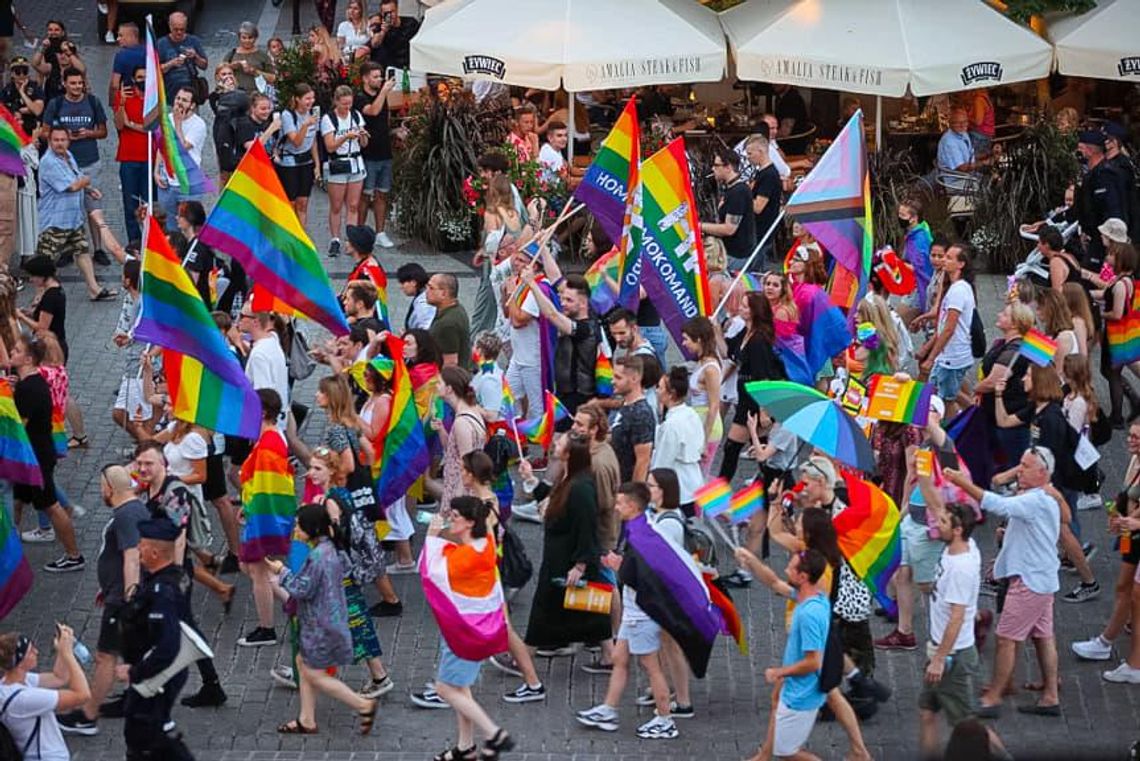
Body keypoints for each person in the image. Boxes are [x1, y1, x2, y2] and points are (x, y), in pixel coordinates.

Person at [944, 449, 1062, 717]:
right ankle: (1049, 694)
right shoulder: (1042, 499)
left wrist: (962, 482)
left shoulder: (1035, 500)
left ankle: (994, 697)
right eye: (1020, 464)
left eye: (1025, 466)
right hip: (1043, 578)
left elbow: (997, 504)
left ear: (1042, 473)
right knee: (1043, 637)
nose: (1019, 470)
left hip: (1029, 581)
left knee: (1006, 638)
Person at [575, 482, 679, 740]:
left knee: (650, 666)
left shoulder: (642, 535)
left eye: (620, 502)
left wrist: (618, 565)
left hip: (641, 613)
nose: (616, 506)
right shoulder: (638, 528)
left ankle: (665, 719)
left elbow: (644, 575)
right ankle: (608, 710)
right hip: (634, 610)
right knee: (620, 659)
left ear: (632, 505)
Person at [266, 503, 379, 735]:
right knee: (302, 663)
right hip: (331, 620)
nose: (295, 529)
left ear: (311, 528)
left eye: (298, 525)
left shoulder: (318, 556)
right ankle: (306, 719)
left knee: (315, 674)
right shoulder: (332, 549)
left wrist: (281, 571)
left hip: (320, 625)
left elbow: (300, 589)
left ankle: (362, 704)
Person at [56, 465, 148, 735]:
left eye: (100, 487)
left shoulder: (126, 515)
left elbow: (132, 557)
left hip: (121, 600)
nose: (100, 492)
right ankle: (137, 703)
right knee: (130, 653)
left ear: (109, 487)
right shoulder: (132, 510)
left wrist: (127, 598)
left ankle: (88, 715)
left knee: (104, 656)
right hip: (117, 593)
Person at [421, 497, 514, 759]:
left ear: (470, 523)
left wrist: (431, 535)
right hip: (473, 629)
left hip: (463, 632)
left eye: (455, 517)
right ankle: (466, 747)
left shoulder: (465, 556)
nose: (450, 520)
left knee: (445, 688)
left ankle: (494, 733)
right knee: (460, 686)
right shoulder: (485, 545)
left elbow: (431, 571)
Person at [307, 448, 394, 700]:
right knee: (349, 620)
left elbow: (337, 536)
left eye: (317, 469)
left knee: (353, 621)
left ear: (331, 472)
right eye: (311, 467)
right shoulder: (339, 494)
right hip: (344, 569)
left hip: (338, 571)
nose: (311, 473)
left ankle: (377, 676)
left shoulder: (331, 501)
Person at [522, 436, 610, 654]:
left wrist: (580, 565)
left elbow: (587, 527)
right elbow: (553, 499)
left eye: (560, 444)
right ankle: (609, 655)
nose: (555, 445)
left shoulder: (580, 488)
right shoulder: (569, 478)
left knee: (544, 610)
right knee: (592, 617)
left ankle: (524, 657)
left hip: (566, 561)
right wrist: (530, 478)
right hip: (560, 557)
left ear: (570, 454)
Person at [118, 517, 195, 758]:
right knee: (148, 732)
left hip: (157, 673)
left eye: (141, 544)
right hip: (155, 670)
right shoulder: (169, 578)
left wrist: (135, 672)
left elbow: (167, 645)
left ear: (153, 552)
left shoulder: (163, 591)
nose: (138, 547)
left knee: (146, 735)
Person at [918, 503, 991, 758]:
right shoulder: (963, 547)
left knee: (968, 726)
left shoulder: (961, 568)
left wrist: (939, 659)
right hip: (940, 651)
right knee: (927, 712)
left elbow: (957, 618)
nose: (937, 524)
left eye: (944, 522)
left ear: (958, 529)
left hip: (951, 656)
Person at [11, 334, 82, 571]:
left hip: (36, 457)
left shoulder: (29, 388)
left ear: (28, 359)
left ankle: (74, 556)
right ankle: (9, 550)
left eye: (17, 351)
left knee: (51, 505)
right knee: (17, 500)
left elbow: (19, 425)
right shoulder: (29, 383)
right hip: (32, 454)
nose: (12, 352)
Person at [1072, 419, 1140, 664]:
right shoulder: (1134, 460)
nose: (1131, 441)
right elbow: (1126, 493)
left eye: (1136, 438)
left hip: (1134, 534)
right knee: (1125, 587)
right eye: (1130, 435)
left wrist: (1132, 522)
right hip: (1128, 536)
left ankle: (1108, 641)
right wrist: (1119, 517)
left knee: (1130, 590)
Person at [765, 548, 831, 761]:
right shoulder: (816, 597)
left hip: (801, 695)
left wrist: (779, 672)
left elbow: (813, 661)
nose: (785, 570)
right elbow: (774, 582)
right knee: (784, 748)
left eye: (791, 568)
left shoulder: (808, 614)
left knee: (787, 752)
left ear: (803, 577)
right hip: (797, 690)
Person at [34, 129, 116, 301]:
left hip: (73, 219)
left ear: (68, 141)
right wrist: (86, 181)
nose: (59, 143)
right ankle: (38, 300)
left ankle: (94, 289)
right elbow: (71, 186)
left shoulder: (67, 156)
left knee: (82, 251)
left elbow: (76, 177)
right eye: (56, 140)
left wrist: (89, 189)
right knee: (45, 261)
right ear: (49, 141)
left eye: (63, 139)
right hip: (54, 221)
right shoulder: (49, 162)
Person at [720, 292, 786, 483]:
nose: (740, 308)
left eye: (745, 306)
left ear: (755, 311)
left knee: (732, 447)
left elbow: (762, 376)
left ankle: (719, 492)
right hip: (747, 396)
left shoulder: (758, 340)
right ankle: (778, 483)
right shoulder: (745, 333)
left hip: (754, 400)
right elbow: (728, 352)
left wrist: (764, 410)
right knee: (762, 449)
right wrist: (716, 330)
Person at [0, 626, 91, 760]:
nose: (36, 652)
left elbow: (59, 677)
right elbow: (82, 695)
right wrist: (68, 655)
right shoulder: (25, 699)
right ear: (20, 663)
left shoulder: (9, 683)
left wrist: (62, 650)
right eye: (30, 651)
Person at [523, 269, 598, 417]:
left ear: (583, 303)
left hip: (579, 395)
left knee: (559, 437)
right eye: (562, 298)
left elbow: (552, 315)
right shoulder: (578, 315)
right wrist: (543, 248)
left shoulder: (586, 327)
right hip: (565, 392)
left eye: (569, 300)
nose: (562, 304)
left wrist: (532, 284)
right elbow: (557, 279)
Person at [919, 243, 975, 415]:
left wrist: (931, 357)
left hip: (952, 356)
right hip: (950, 356)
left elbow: (948, 329)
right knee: (946, 395)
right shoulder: (954, 287)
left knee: (947, 400)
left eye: (949, 258)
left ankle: (955, 431)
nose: (944, 260)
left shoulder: (958, 291)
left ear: (961, 264)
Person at [651, 367, 704, 515]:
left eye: (660, 388)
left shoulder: (671, 425)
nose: (657, 391)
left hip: (678, 489)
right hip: (694, 482)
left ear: (671, 394)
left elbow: (662, 463)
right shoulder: (691, 413)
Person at [355, 62, 397, 246]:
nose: (380, 80)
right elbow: (373, 111)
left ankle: (380, 232)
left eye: (380, 76)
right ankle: (360, 230)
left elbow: (384, 118)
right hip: (368, 153)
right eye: (375, 76)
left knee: (382, 194)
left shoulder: (382, 95)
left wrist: (394, 132)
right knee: (365, 195)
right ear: (365, 78)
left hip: (384, 151)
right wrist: (384, 91)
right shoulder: (360, 98)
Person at [155, 87, 208, 231]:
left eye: (184, 100)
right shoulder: (167, 119)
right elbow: (162, 147)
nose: (179, 102)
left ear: (192, 105)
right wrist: (156, 171)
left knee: (190, 228)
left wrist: (178, 125)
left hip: (188, 185)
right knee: (170, 227)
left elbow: (182, 148)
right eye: (178, 98)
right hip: (168, 183)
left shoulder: (199, 125)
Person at [1076, 129, 1126, 270]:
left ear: (1090, 150)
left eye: (1081, 149)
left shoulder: (1105, 175)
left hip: (1105, 240)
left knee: (1098, 277)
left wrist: (1110, 242)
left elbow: (1111, 209)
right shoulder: (1091, 175)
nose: (1078, 153)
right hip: (1094, 237)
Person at [680, 316, 722, 476]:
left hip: (707, 427)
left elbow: (714, 405)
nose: (684, 344)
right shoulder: (702, 362)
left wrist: (704, 441)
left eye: (686, 339)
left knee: (700, 477)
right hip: (698, 422)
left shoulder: (710, 368)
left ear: (698, 339)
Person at [703, 147, 756, 271]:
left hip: (736, 255)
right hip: (731, 251)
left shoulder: (739, 192)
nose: (713, 169)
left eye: (716, 165)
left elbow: (729, 229)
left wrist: (699, 226)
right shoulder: (732, 189)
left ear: (728, 167)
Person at [276, 84, 321, 227]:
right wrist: (305, 125)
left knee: (303, 203)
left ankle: (302, 237)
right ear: (297, 99)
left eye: (312, 98)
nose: (311, 101)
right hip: (290, 162)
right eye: (307, 99)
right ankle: (290, 235)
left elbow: (313, 141)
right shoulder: (288, 115)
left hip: (306, 162)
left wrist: (317, 165)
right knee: (291, 203)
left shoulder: (312, 114)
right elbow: (296, 141)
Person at [241, 308, 289, 430]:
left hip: (265, 425)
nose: (238, 320)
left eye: (242, 316)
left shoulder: (259, 354)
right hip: (278, 418)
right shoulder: (272, 340)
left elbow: (263, 394)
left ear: (255, 322)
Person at [609, 356, 655, 484]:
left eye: (618, 378)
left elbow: (643, 461)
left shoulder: (641, 414)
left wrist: (632, 496)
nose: (612, 381)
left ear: (635, 379)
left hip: (625, 487)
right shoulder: (625, 404)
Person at [745, 133, 782, 268]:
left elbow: (758, 206)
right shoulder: (762, 172)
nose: (748, 158)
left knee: (757, 267)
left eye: (750, 154)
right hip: (758, 229)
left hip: (763, 229)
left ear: (760, 152)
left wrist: (744, 194)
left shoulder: (769, 175)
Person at [156, 12, 208, 101]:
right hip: (169, 94)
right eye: (176, 29)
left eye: (182, 29)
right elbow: (155, 71)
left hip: (191, 94)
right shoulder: (161, 44)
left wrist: (195, 56)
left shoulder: (193, 41)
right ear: (169, 26)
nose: (179, 32)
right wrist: (171, 64)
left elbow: (204, 65)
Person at [427, 273, 471, 368]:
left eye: (431, 288)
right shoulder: (455, 308)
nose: (426, 292)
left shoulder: (447, 324)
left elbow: (450, 363)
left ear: (444, 293)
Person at [367, 0, 421, 71]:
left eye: (391, 12)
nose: (389, 16)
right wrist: (383, 31)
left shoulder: (410, 23)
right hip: (390, 66)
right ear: (382, 14)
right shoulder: (380, 26)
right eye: (386, 13)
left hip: (408, 65)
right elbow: (374, 44)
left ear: (397, 10)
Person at [224, 22, 277, 95]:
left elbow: (273, 78)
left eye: (250, 38)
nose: (247, 41)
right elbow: (220, 73)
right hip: (235, 95)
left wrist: (255, 72)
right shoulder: (231, 54)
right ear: (239, 38)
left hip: (257, 95)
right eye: (244, 38)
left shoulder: (262, 55)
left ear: (255, 38)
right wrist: (232, 66)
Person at [937, 108, 983, 190]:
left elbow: (969, 156)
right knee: (987, 186)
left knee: (992, 177)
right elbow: (962, 168)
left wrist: (989, 154)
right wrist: (984, 163)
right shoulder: (949, 141)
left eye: (965, 122)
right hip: (956, 180)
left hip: (967, 175)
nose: (962, 125)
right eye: (958, 123)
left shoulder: (963, 134)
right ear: (950, 124)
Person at [3, 55, 45, 137]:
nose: (21, 75)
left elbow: (37, 110)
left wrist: (22, 92)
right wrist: (18, 110)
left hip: (32, 132)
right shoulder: (7, 90)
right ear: (12, 74)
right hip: (13, 132)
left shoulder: (35, 88)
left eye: (25, 71)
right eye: (18, 72)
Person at [397, 263, 435, 330]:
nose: (401, 287)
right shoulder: (422, 296)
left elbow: (425, 330)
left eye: (402, 283)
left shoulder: (424, 304)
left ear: (413, 283)